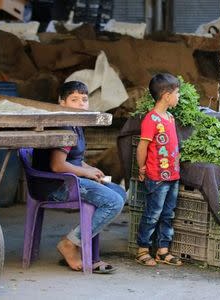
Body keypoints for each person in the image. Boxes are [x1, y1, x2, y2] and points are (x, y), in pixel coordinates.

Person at [32, 81, 125, 274]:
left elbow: (75, 160)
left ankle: (85, 247)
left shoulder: (77, 124)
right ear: (62, 102)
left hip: (70, 179)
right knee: (113, 202)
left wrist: (91, 169)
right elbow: (57, 165)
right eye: (74, 99)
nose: (81, 104)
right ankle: (70, 243)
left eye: (84, 99)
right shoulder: (64, 125)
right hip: (54, 185)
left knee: (118, 191)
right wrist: (86, 173)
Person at [135, 73, 183, 266]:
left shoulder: (170, 118)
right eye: (177, 93)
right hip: (156, 177)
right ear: (166, 95)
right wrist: (141, 167)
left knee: (168, 214)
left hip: (173, 176)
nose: (179, 97)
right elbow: (142, 147)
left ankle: (163, 251)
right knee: (152, 213)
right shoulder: (150, 119)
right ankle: (142, 249)